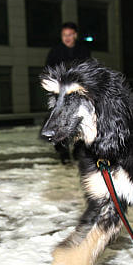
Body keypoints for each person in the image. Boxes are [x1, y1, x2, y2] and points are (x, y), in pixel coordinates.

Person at [45, 22, 91, 164]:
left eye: (70, 35)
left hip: (77, 93)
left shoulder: (83, 51)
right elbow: (48, 71)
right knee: (59, 121)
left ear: (75, 35)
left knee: (78, 120)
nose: (67, 38)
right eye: (64, 35)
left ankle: (78, 151)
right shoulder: (55, 52)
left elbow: (88, 70)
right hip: (60, 93)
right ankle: (63, 153)